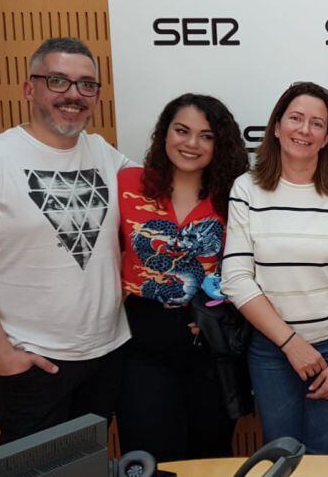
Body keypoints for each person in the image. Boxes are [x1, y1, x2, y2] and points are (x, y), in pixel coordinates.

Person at [222, 82, 328, 454]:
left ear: (327, 137)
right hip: (273, 349)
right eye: (295, 118)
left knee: (327, 452)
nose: (304, 130)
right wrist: (291, 345)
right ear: (276, 126)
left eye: (316, 123)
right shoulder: (247, 188)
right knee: (281, 451)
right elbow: (236, 279)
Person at [0, 37, 131, 443]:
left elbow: (164, 189)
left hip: (106, 354)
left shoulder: (103, 153)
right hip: (32, 361)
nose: (73, 94)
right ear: (28, 88)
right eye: (58, 81)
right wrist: (0, 353)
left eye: (86, 85)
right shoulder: (1, 158)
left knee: (86, 465)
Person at [116, 94, 250, 462]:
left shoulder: (235, 197)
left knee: (208, 457)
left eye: (206, 136)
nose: (191, 143)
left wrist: (217, 311)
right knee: (148, 457)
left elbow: (250, 271)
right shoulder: (127, 184)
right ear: (164, 134)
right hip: (143, 346)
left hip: (211, 350)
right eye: (182, 130)